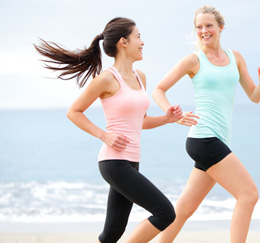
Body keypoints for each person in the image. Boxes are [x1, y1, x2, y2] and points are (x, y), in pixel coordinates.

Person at [34, 17, 182, 243]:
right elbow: (74, 112)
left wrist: (167, 119)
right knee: (165, 212)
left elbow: (139, 121)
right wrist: (103, 135)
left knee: (112, 234)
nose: (143, 42)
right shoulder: (106, 79)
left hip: (132, 161)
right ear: (124, 42)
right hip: (114, 162)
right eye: (138, 36)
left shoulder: (140, 77)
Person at [152, 5, 260, 243]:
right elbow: (158, 89)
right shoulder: (193, 60)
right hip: (203, 138)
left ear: (220, 27)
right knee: (249, 195)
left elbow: (254, 96)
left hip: (216, 140)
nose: (204, 31)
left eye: (209, 26)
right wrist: (172, 113)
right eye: (199, 27)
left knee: (184, 209)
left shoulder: (235, 58)